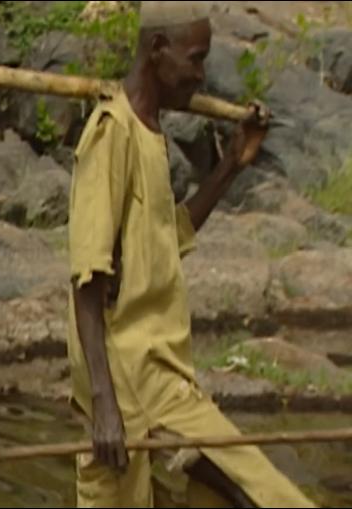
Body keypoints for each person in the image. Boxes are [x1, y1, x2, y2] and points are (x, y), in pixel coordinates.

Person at [65, 2, 316, 507]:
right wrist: (104, 404)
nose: (200, 76)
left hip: (164, 374)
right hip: (126, 378)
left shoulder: (150, 132)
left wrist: (232, 165)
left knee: (257, 494)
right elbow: (87, 278)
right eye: (195, 59)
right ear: (157, 51)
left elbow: (166, 238)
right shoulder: (111, 134)